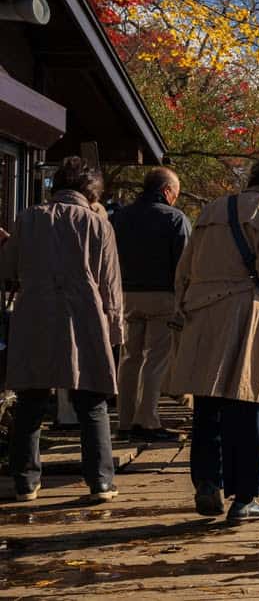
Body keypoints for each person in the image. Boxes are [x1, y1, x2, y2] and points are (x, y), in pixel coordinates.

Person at [170, 153, 259, 523]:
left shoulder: (213, 209)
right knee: (253, 404)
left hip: (202, 310)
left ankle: (207, 482)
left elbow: (185, 266)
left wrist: (186, 305)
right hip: (247, 311)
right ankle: (245, 499)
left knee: (208, 403)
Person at [0, 157, 123, 503]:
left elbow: (7, 268)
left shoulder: (29, 218)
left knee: (30, 401)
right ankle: (100, 481)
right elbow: (110, 286)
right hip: (84, 317)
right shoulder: (98, 225)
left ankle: (26, 481)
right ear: (91, 190)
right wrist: (115, 333)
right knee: (92, 401)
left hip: (34, 316)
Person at [112, 167, 191, 441]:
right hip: (163, 296)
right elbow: (185, 264)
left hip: (126, 295)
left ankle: (124, 419)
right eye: (176, 194)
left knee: (129, 357)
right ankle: (147, 420)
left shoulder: (119, 217)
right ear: (167, 191)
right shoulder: (175, 219)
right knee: (155, 360)